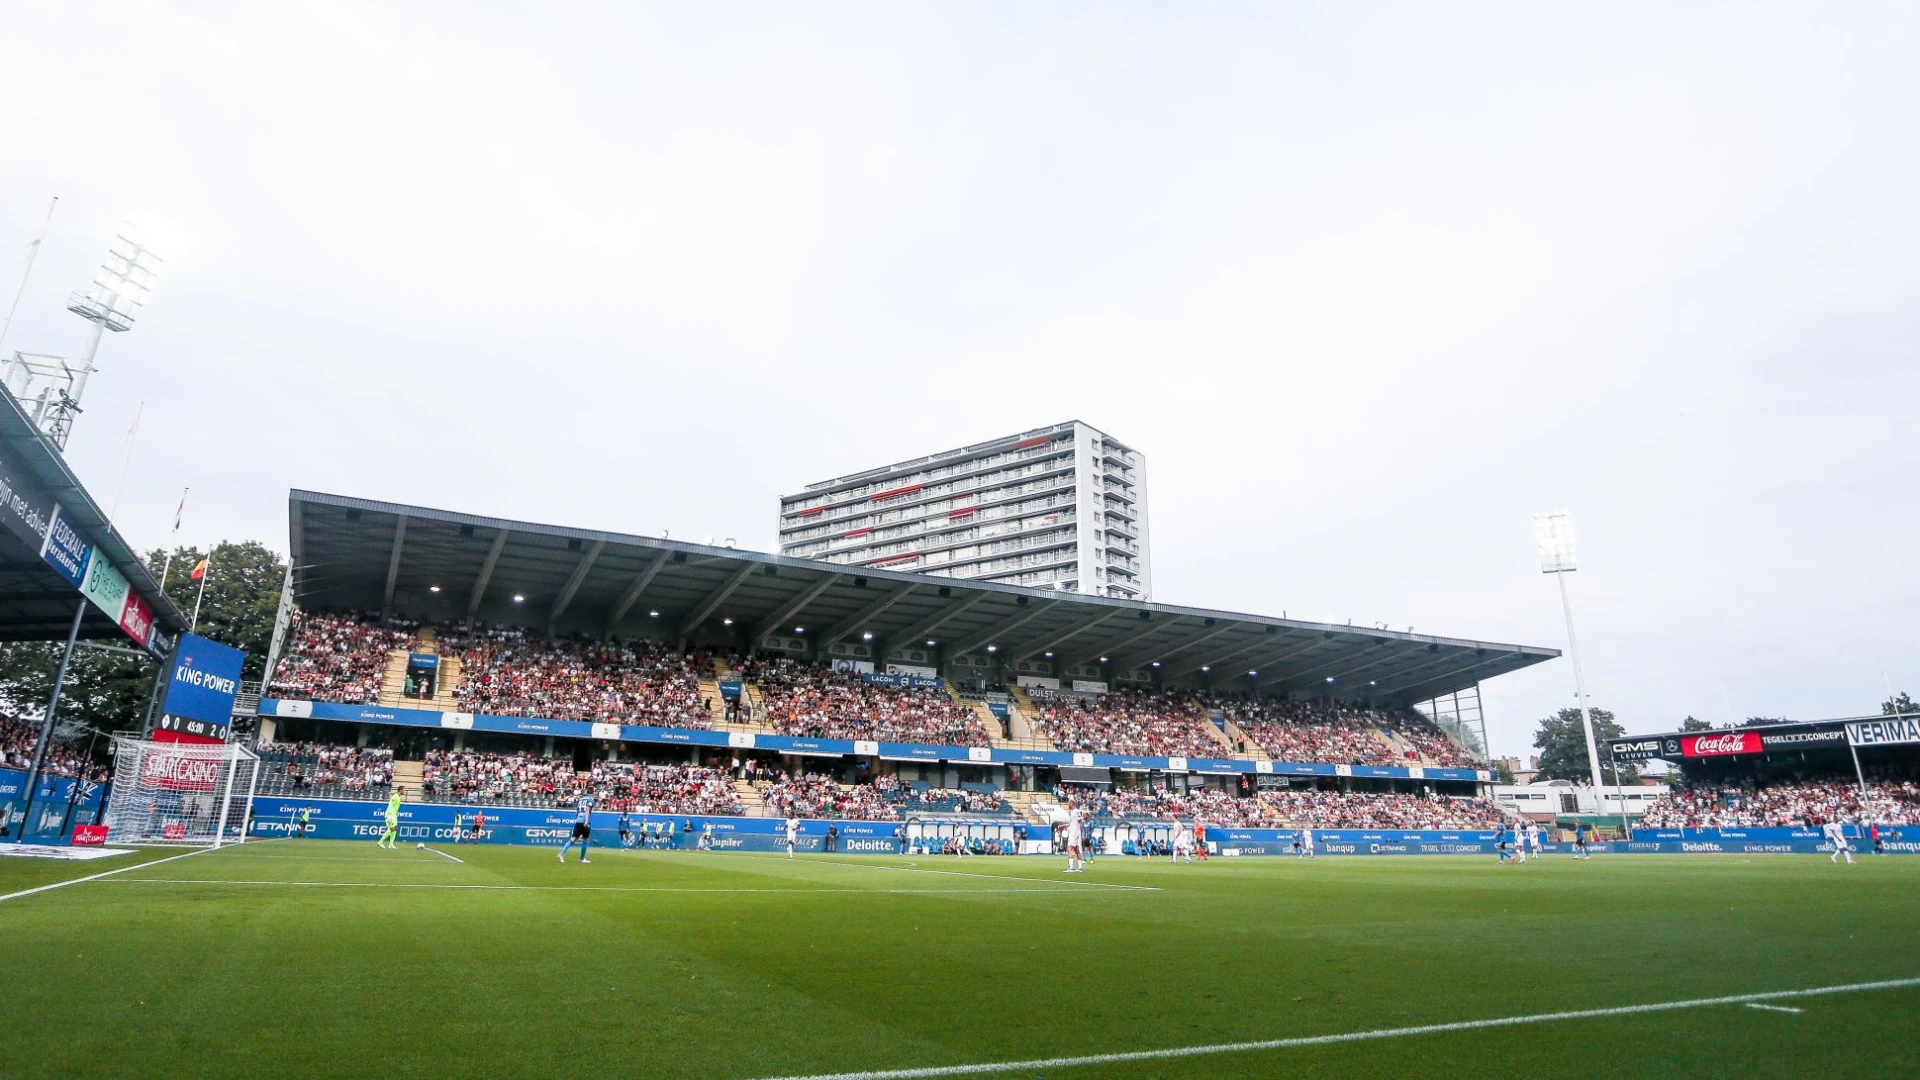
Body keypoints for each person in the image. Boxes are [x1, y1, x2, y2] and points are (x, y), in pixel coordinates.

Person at [558, 793, 594, 864]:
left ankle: (561, 854)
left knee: (572, 839)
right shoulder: (590, 799)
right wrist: (586, 821)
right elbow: (587, 810)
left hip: (578, 821)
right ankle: (582, 859)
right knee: (586, 840)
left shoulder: (580, 800)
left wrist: (578, 818)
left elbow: (577, 811)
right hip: (585, 822)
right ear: (592, 792)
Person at [1064, 804, 1086, 874]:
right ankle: (1080, 867)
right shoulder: (1074, 812)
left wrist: (1084, 817)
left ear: (1072, 803)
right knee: (1077, 850)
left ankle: (1070, 867)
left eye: (1069, 803)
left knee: (1070, 848)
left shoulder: (1075, 811)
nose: (1068, 805)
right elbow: (1075, 822)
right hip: (1075, 832)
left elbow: (1079, 820)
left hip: (1074, 833)